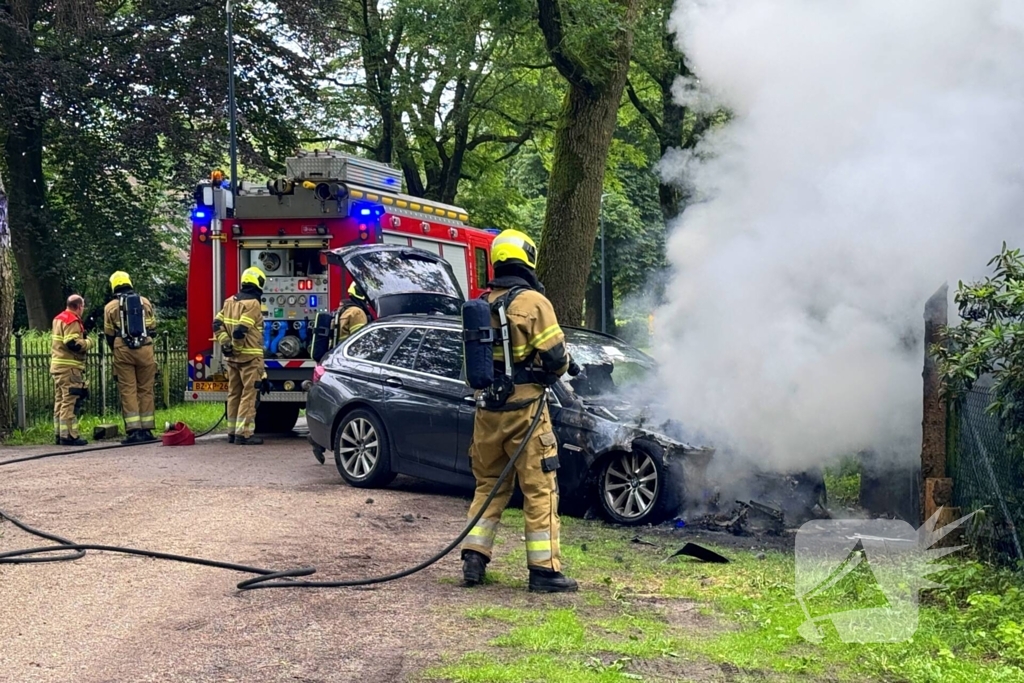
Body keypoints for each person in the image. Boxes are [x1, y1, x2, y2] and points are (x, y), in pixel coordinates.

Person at [460, 229, 581, 593]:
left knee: (488, 487)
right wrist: (560, 369)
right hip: (526, 411)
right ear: (527, 258)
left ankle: (473, 558)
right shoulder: (533, 303)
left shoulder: (482, 304)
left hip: (488, 414)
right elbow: (557, 359)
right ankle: (544, 570)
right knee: (540, 489)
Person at [214, 266, 268, 445]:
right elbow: (240, 331)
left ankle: (231, 432)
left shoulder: (230, 301)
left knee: (234, 393)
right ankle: (243, 434)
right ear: (259, 283)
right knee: (248, 395)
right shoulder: (253, 303)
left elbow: (216, 323)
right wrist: (235, 347)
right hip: (249, 358)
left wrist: (226, 345)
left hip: (232, 359)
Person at [103, 271, 159, 443]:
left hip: (123, 350)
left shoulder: (110, 307)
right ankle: (147, 430)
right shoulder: (145, 302)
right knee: (146, 389)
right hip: (145, 350)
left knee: (128, 390)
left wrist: (117, 348)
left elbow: (109, 333)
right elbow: (153, 328)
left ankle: (134, 431)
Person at [50, 294, 93, 446]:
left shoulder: (58, 318)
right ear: (79, 306)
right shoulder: (72, 320)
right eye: (83, 307)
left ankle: (59, 433)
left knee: (60, 401)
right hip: (70, 368)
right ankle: (69, 436)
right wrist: (88, 343)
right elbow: (72, 343)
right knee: (69, 402)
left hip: (57, 367)